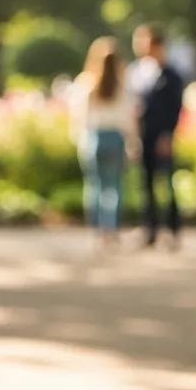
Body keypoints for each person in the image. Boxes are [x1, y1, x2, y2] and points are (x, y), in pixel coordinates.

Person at [70, 37, 137, 249]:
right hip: (115, 138)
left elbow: (79, 116)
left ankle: (99, 230)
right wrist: (133, 142)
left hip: (94, 137)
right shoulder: (122, 86)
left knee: (95, 186)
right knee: (113, 187)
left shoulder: (87, 83)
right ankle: (111, 228)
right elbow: (128, 118)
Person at [130, 23, 184, 248]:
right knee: (147, 184)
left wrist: (167, 135)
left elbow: (175, 108)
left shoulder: (171, 76)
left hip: (162, 136)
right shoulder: (140, 73)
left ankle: (171, 228)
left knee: (166, 184)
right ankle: (149, 229)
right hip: (145, 136)